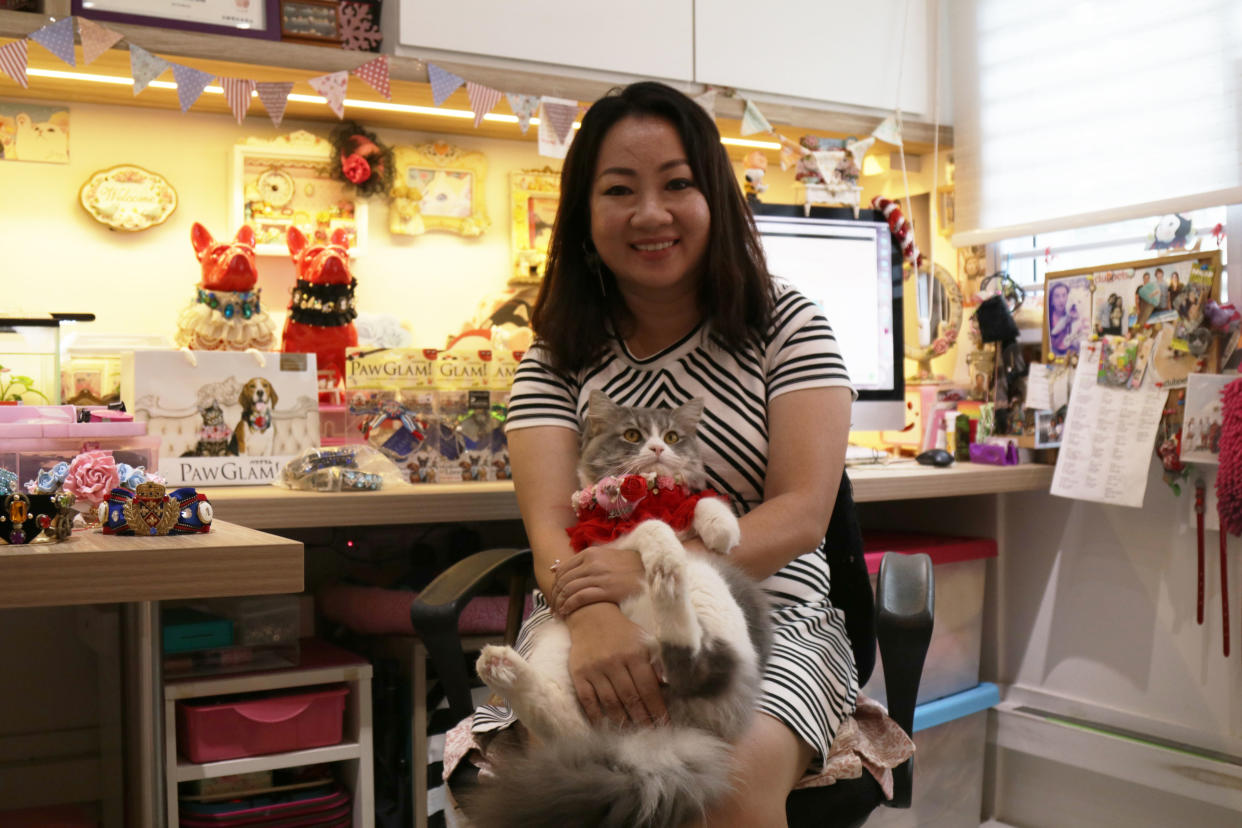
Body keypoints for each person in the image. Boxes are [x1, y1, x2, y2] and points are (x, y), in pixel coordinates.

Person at [470, 81, 856, 825]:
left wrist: (653, 565)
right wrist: (594, 618)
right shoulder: (554, 359)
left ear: (714, 199)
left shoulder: (789, 326)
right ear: (585, 217)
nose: (651, 214)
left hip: (764, 612)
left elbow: (805, 513)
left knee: (724, 789)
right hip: (581, 606)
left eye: (677, 184)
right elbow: (550, 526)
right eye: (620, 190)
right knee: (569, 781)